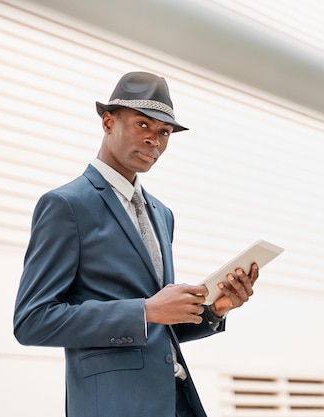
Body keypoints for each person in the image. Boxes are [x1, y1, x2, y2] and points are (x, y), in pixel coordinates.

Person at [13, 71, 259, 417]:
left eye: (164, 132)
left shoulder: (163, 214)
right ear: (108, 122)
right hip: (113, 405)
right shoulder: (67, 205)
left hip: (175, 401)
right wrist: (144, 311)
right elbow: (32, 320)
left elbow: (156, 328)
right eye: (143, 125)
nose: (154, 141)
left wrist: (215, 310)